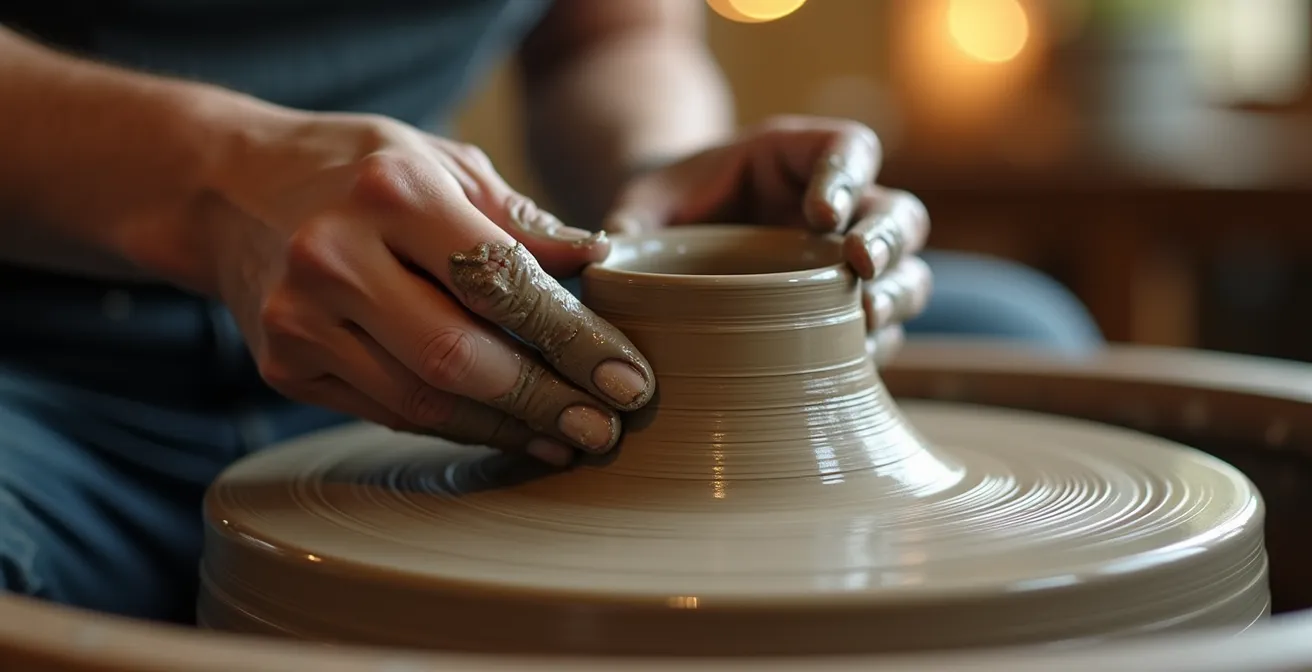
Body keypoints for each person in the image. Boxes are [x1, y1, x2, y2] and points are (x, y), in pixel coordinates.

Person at [0, 0, 1102, 625]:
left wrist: (661, 175)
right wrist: (213, 181)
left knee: (1024, 340)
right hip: (38, 362)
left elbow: (613, 35)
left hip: (428, 323)